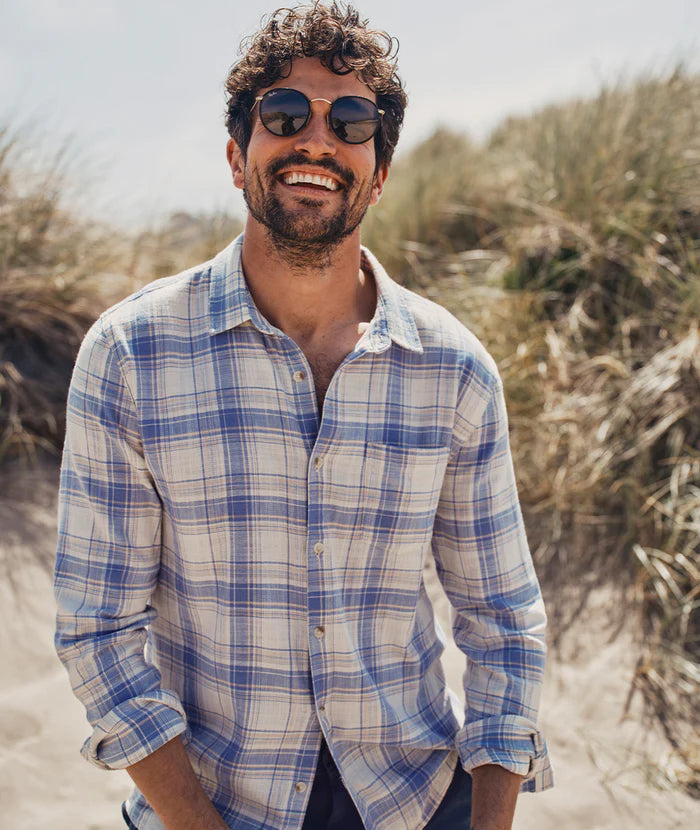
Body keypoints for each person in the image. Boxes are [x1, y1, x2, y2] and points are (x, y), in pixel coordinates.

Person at [54, 3, 553, 829]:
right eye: (284, 114)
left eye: (351, 121)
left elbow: (503, 623)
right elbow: (98, 634)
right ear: (235, 154)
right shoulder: (130, 356)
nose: (317, 140)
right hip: (213, 807)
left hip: (415, 800)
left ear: (379, 173)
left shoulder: (454, 369)